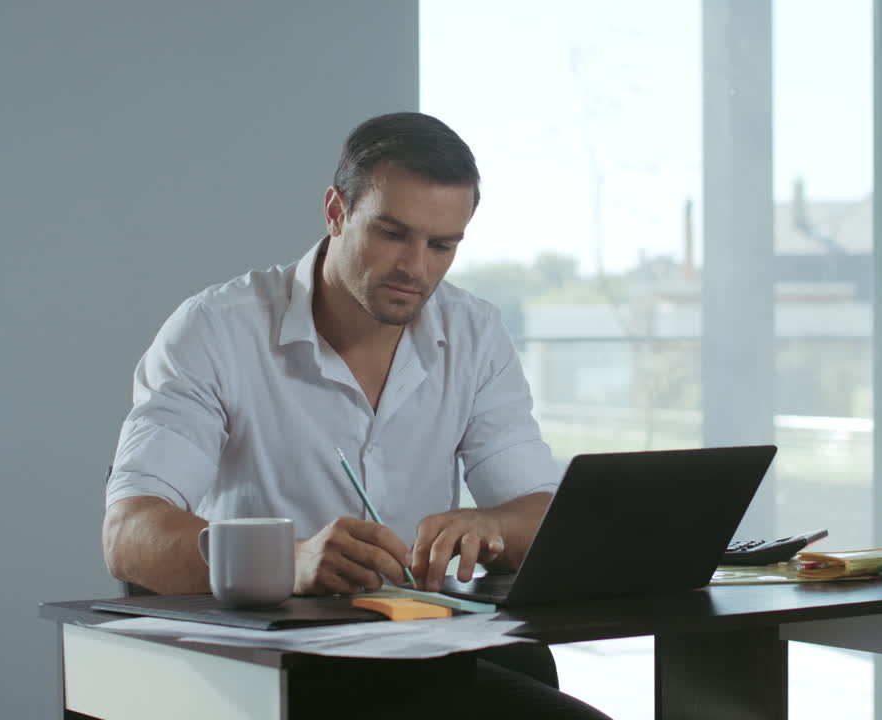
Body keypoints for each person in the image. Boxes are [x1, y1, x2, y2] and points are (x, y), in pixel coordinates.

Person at [102, 112, 612, 719]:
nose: (416, 268)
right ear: (337, 211)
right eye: (392, 234)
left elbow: (540, 511)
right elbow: (128, 536)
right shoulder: (215, 330)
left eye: (442, 245)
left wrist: (489, 526)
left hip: (417, 652)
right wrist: (287, 563)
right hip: (267, 668)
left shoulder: (474, 332)